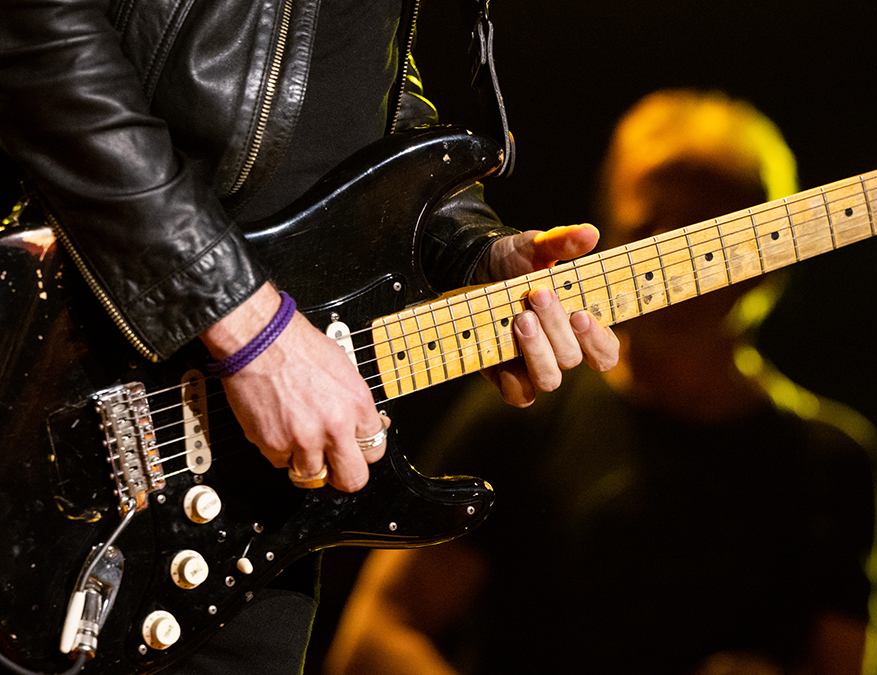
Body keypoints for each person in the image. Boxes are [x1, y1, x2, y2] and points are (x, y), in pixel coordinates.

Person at [0, 1, 617, 673]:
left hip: (242, 509)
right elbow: (35, 31)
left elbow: (332, 71)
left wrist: (460, 245)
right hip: (66, 353)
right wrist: (246, 322)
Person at [324, 89, 877, 675]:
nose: (668, 257)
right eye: (648, 225)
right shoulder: (527, 404)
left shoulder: (835, 462)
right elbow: (374, 635)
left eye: (702, 229)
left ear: (771, 252)